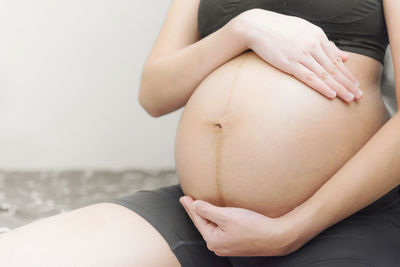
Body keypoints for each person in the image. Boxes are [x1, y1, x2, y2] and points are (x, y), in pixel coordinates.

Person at [1, 0, 400, 266]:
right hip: (198, 214)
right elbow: (154, 93)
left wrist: (291, 230)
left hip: (344, 219)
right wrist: (243, 29)